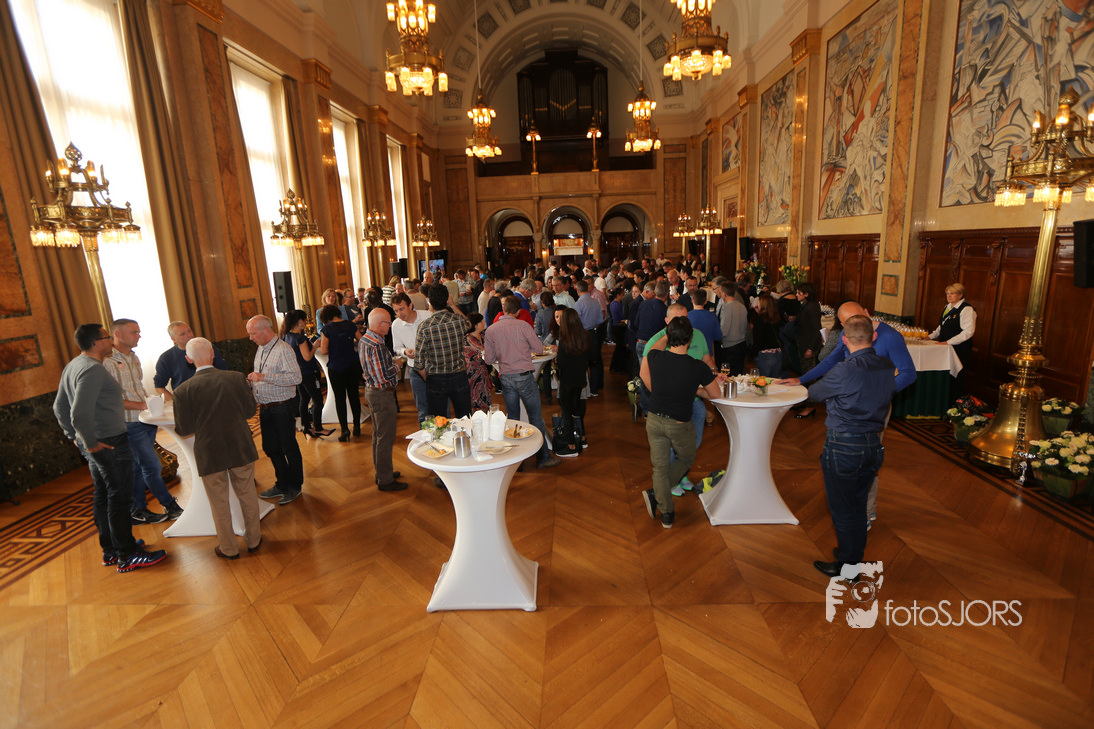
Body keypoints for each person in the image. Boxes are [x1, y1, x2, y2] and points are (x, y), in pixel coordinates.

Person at [776, 301, 916, 525]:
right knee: (846, 458)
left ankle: (866, 511)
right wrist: (802, 379)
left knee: (867, 459)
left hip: (875, 407)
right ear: (842, 326)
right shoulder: (850, 333)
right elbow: (832, 360)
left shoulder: (891, 337)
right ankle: (849, 508)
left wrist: (879, 393)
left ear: (866, 313)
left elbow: (908, 373)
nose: (854, 325)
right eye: (847, 323)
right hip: (848, 405)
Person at [53, 323, 167, 572]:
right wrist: (89, 442)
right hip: (109, 442)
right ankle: (128, 554)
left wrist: (75, 437)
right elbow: (78, 412)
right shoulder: (93, 369)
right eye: (106, 337)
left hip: (98, 442)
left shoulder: (74, 365)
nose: (110, 341)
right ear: (97, 343)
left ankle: (112, 549)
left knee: (104, 495)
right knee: (120, 497)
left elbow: (59, 407)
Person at [808, 315, 897, 578]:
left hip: (844, 446)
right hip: (873, 445)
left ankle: (848, 568)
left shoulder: (844, 369)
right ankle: (851, 554)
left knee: (843, 511)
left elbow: (815, 393)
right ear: (874, 337)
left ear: (845, 339)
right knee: (857, 506)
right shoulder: (886, 366)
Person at [172, 337, 263, 558]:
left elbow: (184, 429)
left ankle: (229, 549)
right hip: (240, 445)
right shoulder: (236, 378)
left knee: (219, 503)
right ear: (212, 353)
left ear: (188, 359)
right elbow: (250, 411)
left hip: (209, 451)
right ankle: (254, 540)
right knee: (248, 495)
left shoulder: (182, 391)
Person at [640, 317, 721, 528]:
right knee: (686, 458)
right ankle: (657, 493)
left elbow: (653, 347)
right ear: (690, 338)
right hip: (678, 423)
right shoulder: (697, 367)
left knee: (660, 467)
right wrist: (696, 390)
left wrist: (667, 334)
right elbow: (715, 395)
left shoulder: (655, 357)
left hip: (654, 420)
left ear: (669, 336)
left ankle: (667, 514)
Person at [106, 319, 183, 525]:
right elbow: (110, 399)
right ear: (118, 335)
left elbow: (137, 388)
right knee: (151, 465)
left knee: (139, 468)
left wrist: (150, 403)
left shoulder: (134, 357)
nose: (139, 336)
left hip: (145, 420)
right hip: (129, 422)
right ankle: (170, 505)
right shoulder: (108, 362)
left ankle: (137, 510)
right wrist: (142, 405)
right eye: (134, 332)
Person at [483, 296, 562, 469]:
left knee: (513, 419)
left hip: (506, 378)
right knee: (535, 418)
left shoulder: (491, 330)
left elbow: (489, 359)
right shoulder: (523, 326)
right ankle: (543, 458)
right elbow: (538, 348)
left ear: (504, 310)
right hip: (525, 377)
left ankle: (516, 461)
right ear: (518, 311)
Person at [246, 315, 304, 505]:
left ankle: (295, 486)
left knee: (288, 447)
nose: (250, 338)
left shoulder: (283, 350)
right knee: (271, 448)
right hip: (265, 407)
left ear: (265, 330)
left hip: (282, 406)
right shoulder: (261, 348)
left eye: (253, 333)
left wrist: (263, 377)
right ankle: (282, 483)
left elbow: (296, 378)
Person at [359, 308, 408, 491]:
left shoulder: (365, 339)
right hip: (382, 394)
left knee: (378, 436)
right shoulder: (378, 345)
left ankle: (382, 472)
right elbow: (384, 375)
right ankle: (385, 480)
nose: (390, 325)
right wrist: (398, 364)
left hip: (372, 391)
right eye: (388, 322)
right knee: (385, 438)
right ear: (380, 324)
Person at [415, 284, 474, 419]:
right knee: (464, 417)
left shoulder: (424, 327)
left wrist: (428, 378)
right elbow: (469, 324)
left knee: (438, 421)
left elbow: (418, 363)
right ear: (447, 299)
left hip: (435, 377)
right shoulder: (458, 321)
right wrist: (452, 305)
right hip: (459, 375)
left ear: (429, 301)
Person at [280, 310, 330, 439]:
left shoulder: (287, 336)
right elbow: (307, 357)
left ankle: (307, 426)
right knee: (318, 400)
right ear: (300, 322)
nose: (306, 322)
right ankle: (318, 428)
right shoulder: (300, 338)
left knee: (304, 399)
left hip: (298, 373)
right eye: (305, 320)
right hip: (308, 372)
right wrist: (315, 346)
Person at [319, 304, 363, 442]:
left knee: (340, 399)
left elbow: (324, 351)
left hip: (336, 366)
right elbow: (361, 340)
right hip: (352, 364)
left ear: (325, 317)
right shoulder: (350, 325)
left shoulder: (327, 329)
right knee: (354, 396)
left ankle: (344, 430)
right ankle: (357, 426)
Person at [153, 320, 226, 399]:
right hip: (186, 398)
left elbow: (223, 372)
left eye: (189, 331)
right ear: (173, 339)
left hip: (214, 395)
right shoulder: (166, 358)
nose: (189, 335)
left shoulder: (207, 347)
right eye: (183, 334)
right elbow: (159, 386)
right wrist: (175, 401)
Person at [554, 308, 592, 457]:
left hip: (567, 379)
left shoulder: (565, 339)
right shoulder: (585, 336)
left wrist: (556, 363)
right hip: (580, 378)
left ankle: (571, 445)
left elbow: (561, 362)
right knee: (577, 410)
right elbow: (591, 357)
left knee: (566, 410)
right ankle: (582, 438)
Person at [929, 282, 976, 397]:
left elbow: (968, 332)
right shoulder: (948, 307)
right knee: (946, 374)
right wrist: (930, 336)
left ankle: (954, 400)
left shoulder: (966, 309)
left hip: (960, 348)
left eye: (952, 293)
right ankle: (944, 398)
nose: (949, 296)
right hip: (946, 347)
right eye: (947, 293)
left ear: (961, 295)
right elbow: (942, 326)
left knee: (956, 375)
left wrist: (948, 342)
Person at [391, 292, 431, 427]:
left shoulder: (427, 316)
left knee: (441, 404)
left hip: (434, 366)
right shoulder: (396, 325)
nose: (399, 313)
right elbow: (397, 347)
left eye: (401, 309)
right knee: (422, 409)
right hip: (415, 369)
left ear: (410, 305)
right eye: (396, 311)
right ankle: (425, 436)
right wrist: (405, 352)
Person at [573, 280, 604, 396]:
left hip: (581, 335)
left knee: (582, 363)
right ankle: (594, 390)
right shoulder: (595, 302)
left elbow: (576, 323)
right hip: (593, 333)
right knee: (594, 362)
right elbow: (600, 320)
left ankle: (584, 391)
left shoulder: (578, 304)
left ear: (578, 290)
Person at [717, 282, 750, 375]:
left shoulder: (727, 307)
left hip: (730, 347)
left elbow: (724, 331)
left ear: (724, 293)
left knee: (728, 376)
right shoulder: (742, 306)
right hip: (742, 344)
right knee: (738, 375)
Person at [464, 313, 492, 412]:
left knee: (485, 401)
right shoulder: (468, 338)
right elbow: (483, 351)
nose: (483, 323)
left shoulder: (483, 335)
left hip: (482, 372)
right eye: (481, 321)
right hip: (472, 374)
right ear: (475, 325)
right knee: (474, 402)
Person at [793, 282, 823, 374]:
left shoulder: (811, 307)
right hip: (804, 343)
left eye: (799, 293)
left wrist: (810, 349)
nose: (796, 295)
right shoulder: (807, 304)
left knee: (808, 371)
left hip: (808, 344)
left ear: (806, 294)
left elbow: (817, 330)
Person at [751, 293, 783, 378]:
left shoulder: (760, 319)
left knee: (763, 382)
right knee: (773, 381)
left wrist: (752, 353)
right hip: (778, 353)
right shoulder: (777, 318)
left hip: (765, 355)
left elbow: (758, 340)